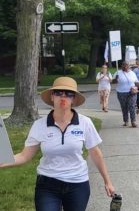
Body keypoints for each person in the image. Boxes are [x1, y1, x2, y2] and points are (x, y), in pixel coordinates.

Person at [0, 77, 116, 211]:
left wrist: (107, 182)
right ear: (52, 97)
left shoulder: (85, 123)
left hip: (77, 184)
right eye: (59, 92)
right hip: (47, 184)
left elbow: (95, 153)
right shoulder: (39, 125)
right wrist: (3, 161)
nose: (63, 96)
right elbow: (25, 156)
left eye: (68, 93)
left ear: (73, 99)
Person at [113, 61, 139, 127]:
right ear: (121, 66)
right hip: (121, 93)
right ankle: (126, 121)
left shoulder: (132, 73)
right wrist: (116, 79)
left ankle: (133, 121)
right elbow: (113, 82)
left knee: (132, 106)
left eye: (127, 65)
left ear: (129, 66)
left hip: (132, 92)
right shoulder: (118, 73)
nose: (125, 67)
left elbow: (136, 82)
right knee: (124, 107)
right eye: (124, 65)